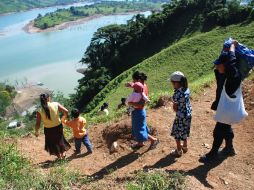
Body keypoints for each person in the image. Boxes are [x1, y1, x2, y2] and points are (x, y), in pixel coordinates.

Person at [199, 40, 241, 163]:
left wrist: (232, 46)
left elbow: (231, 61)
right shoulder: (225, 74)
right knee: (226, 127)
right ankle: (229, 148)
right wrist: (225, 50)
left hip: (227, 109)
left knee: (218, 131)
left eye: (219, 64)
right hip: (226, 107)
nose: (217, 67)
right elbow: (225, 62)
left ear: (227, 65)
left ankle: (212, 154)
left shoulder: (233, 76)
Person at [126, 71, 159, 150]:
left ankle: (154, 140)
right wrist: (130, 85)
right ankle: (140, 143)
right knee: (139, 128)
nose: (133, 82)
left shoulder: (142, 89)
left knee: (139, 129)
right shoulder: (142, 86)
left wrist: (130, 103)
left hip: (138, 111)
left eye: (134, 80)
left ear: (139, 80)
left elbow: (141, 104)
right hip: (138, 111)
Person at [35, 93, 71, 159]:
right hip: (58, 126)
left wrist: (36, 132)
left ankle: (59, 156)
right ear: (48, 98)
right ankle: (63, 154)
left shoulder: (39, 110)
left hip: (48, 129)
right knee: (60, 139)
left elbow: (38, 123)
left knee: (52, 142)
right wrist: (63, 118)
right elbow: (66, 111)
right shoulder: (55, 104)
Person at [169, 71, 192, 157]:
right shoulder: (186, 89)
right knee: (185, 130)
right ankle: (185, 146)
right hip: (188, 114)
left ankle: (178, 150)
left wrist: (175, 107)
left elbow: (175, 108)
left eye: (172, 83)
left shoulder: (176, 94)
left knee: (177, 132)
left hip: (180, 116)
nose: (172, 84)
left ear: (176, 83)